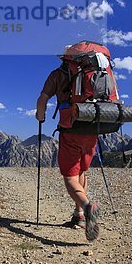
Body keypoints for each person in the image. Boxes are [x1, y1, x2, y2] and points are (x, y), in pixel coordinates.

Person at [35, 64, 101, 242]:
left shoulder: (57, 74)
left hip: (70, 130)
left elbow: (42, 99)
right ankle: (78, 215)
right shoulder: (94, 72)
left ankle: (87, 207)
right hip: (92, 129)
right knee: (80, 172)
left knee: (70, 177)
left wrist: (40, 115)